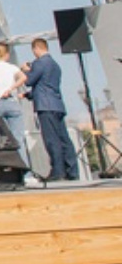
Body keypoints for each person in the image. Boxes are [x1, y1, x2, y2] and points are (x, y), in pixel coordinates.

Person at [23, 37, 80, 181]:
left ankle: (58, 172)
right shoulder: (55, 65)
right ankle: (72, 171)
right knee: (64, 139)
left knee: (51, 139)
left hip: (45, 106)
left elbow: (29, 81)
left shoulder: (39, 63)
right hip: (57, 105)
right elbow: (45, 86)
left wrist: (26, 70)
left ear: (36, 48)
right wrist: (28, 95)